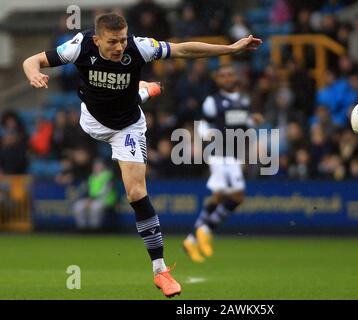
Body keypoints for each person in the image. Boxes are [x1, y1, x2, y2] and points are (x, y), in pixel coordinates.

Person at [22, 12, 262, 297]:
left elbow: (183, 49)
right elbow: (31, 60)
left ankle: (160, 270)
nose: (119, 47)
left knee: (136, 193)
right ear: (97, 39)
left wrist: (230, 49)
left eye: (122, 40)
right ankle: (145, 90)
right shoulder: (79, 45)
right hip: (92, 119)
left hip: (127, 127)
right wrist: (34, 73)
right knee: (131, 95)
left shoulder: (139, 46)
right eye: (113, 42)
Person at [182, 64, 264, 263]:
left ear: (235, 78)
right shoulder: (213, 102)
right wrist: (204, 135)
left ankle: (192, 239)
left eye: (230, 75)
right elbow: (204, 123)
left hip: (234, 154)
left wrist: (254, 121)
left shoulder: (244, 100)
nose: (226, 79)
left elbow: (244, 125)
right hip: (219, 152)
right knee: (236, 196)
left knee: (220, 195)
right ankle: (205, 230)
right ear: (217, 80)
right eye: (223, 76)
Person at [73, 158, 117, 231]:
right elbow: (85, 190)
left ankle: (95, 229)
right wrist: (87, 199)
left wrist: (91, 200)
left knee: (95, 207)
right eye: (95, 165)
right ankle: (82, 228)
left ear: (103, 166)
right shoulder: (91, 177)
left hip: (106, 200)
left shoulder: (108, 175)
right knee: (78, 206)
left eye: (99, 165)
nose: (97, 167)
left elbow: (105, 191)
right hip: (92, 199)